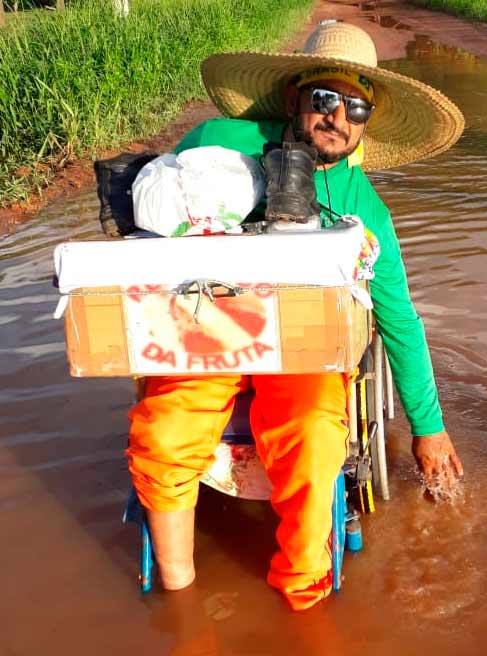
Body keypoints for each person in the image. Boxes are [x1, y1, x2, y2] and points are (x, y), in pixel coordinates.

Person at [126, 20, 466, 611]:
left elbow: (399, 322)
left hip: (303, 349)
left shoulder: (367, 210)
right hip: (207, 328)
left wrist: (428, 428)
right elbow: (152, 218)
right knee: (164, 431)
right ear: (294, 100)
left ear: (366, 123)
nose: (338, 116)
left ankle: (302, 599)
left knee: (312, 434)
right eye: (325, 99)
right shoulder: (218, 141)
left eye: (355, 107)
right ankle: (178, 609)